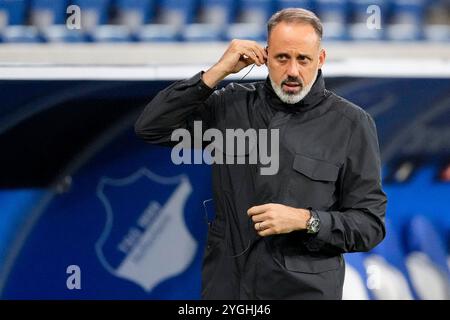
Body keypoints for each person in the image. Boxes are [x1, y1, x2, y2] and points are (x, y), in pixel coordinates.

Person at [135, 8, 387, 300]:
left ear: (320, 59)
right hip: (227, 291)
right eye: (282, 58)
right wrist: (216, 72)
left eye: (303, 59)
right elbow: (152, 127)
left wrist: (307, 220)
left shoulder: (351, 124)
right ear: (265, 57)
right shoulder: (231, 106)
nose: (292, 70)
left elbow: (370, 225)